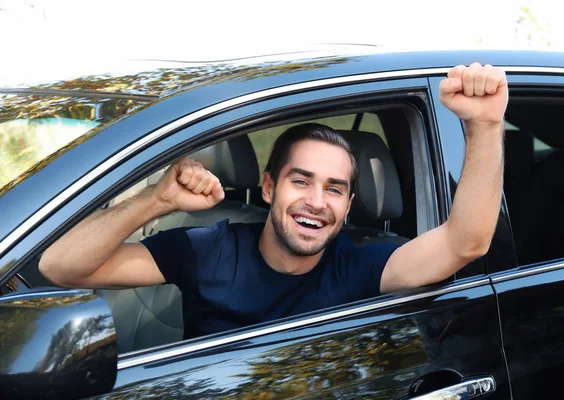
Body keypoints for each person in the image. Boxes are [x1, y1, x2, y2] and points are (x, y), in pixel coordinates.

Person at [40, 63, 508, 339]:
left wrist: (484, 126)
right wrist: (153, 200)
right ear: (268, 189)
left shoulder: (360, 266)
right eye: (300, 181)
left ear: (347, 207)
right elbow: (63, 268)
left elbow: (465, 243)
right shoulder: (209, 249)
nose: (316, 202)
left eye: (335, 189)